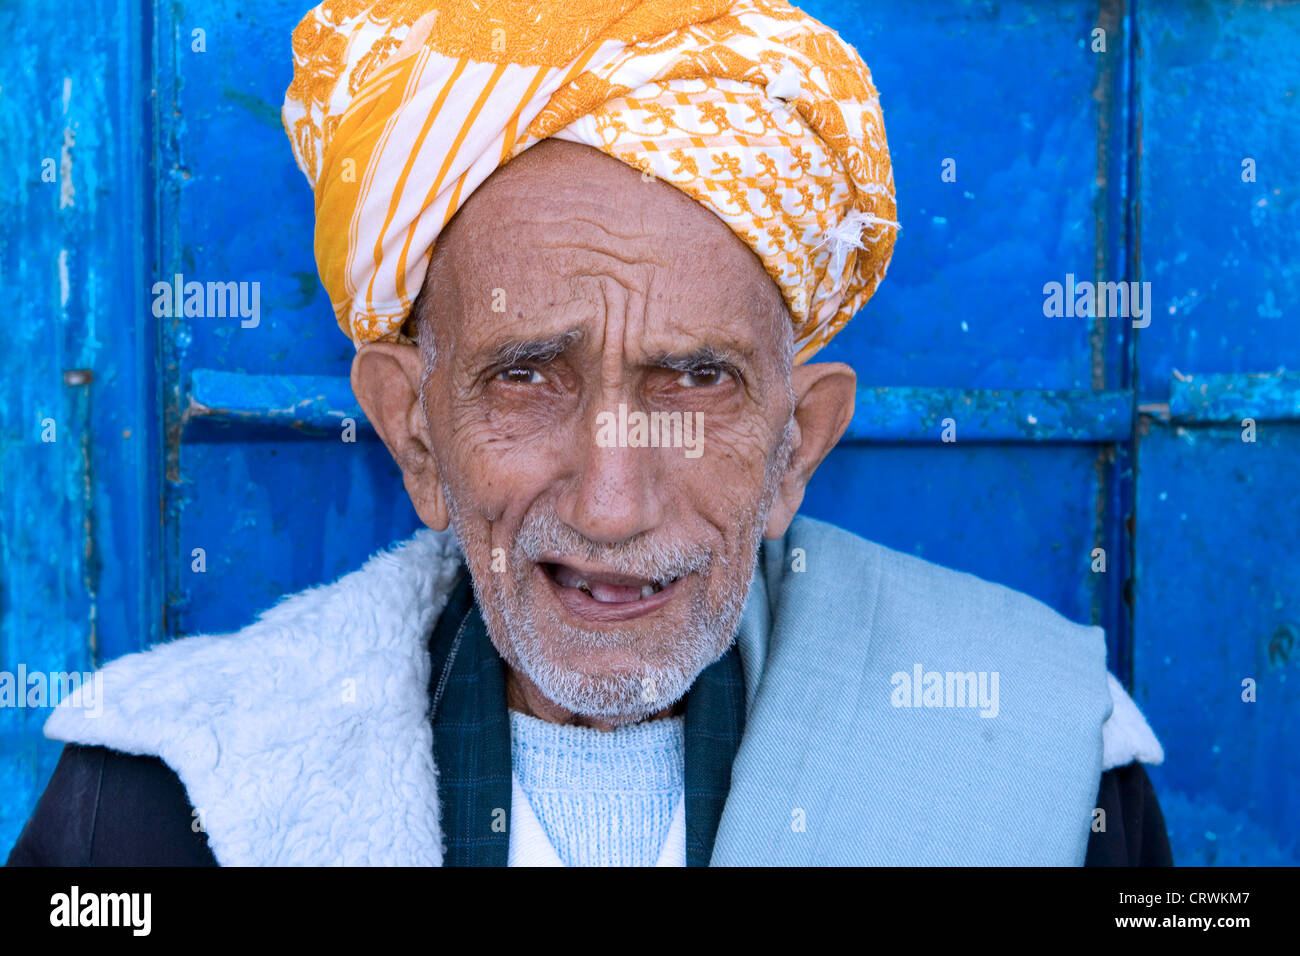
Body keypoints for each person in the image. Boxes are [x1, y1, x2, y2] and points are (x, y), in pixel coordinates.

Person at [8, 0, 1170, 867]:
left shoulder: (1052, 771)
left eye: (697, 379)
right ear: (414, 433)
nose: (612, 503)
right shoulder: (161, 807)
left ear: (795, 449)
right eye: (525, 375)